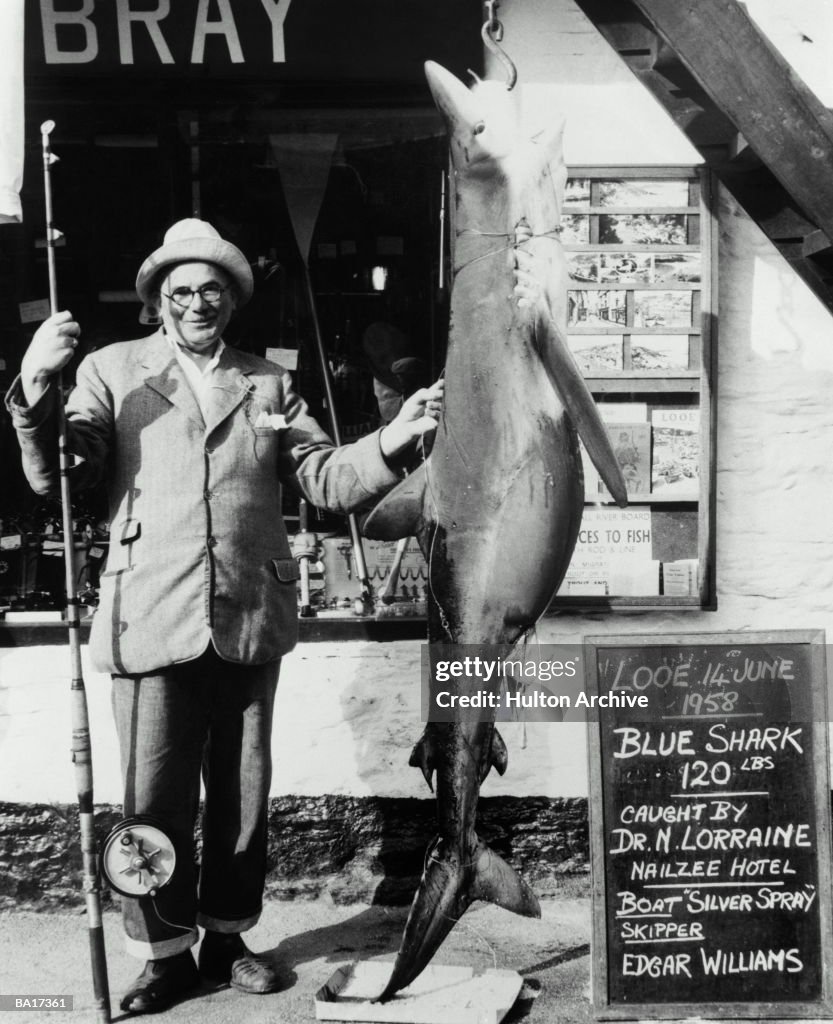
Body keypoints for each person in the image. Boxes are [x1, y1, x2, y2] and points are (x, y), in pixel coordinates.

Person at [6, 219, 443, 1014]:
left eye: (212, 289)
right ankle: (162, 953)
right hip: (150, 613)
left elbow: (324, 479)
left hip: (249, 609)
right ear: (158, 301)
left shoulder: (267, 382)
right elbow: (64, 474)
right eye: (181, 291)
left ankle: (228, 937)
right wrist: (36, 389)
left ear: (231, 301)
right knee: (152, 799)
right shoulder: (110, 372)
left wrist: (394, 436)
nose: (197, 302)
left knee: (242, 794)